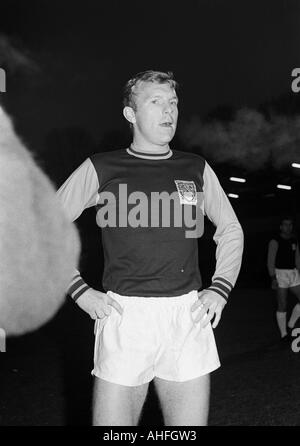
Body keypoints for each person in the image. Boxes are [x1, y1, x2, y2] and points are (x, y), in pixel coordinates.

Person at [57, 70, 244, 426]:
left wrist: (221, 287)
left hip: (187, 315)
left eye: (172, 102)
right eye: (155, 101)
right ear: (131, 114)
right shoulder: (103, 166)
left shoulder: (195, 168)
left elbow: (231, 229)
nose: (168, 111)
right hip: (125, 316)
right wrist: (79, 290)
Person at [267, 216, 300, 343]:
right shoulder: (275, 241)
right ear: (281, 227)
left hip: (293, 273)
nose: (288, 227)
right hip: (280, 274)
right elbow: (270, 260)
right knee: (282, 304)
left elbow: (297, 258)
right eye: (286, 224)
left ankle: (291, 325)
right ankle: (284, 334)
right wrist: (273, 277)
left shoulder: (294, 240)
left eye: (290, 224)